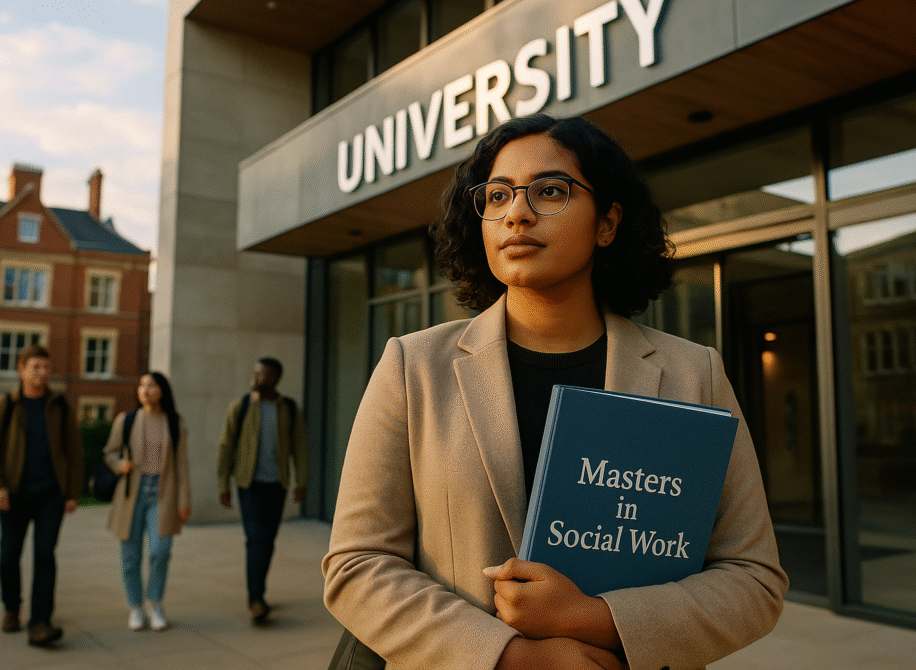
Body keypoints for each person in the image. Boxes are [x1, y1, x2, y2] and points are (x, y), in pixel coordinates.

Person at [322, 114, 789, 670]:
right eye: (497, 196)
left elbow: (753, 578)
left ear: (607, 223)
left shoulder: (695, 374)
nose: (516, 212)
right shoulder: (413, 366)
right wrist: (517, 658)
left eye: (550, 190)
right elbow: (358, 564)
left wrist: (592, 619)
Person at [0, 344, 83, 647]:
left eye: (46, 367)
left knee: (45, 555)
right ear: (21, 370)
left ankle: (40, 622)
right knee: (9, 555)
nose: (42, 373)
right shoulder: (3, 407)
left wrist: (72, 492)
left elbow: (73, 452)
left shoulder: (60, 406)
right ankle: (12, 607)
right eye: (35, 367)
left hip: (50, 495)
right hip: (13, 495)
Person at [217, 357, 309, 623]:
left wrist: (300, 482)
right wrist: (223, 483)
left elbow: (300, 448)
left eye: (264, 374)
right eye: (256, 373)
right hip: (249, 484)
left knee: (267, 541)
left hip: (276, 485)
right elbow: (226, 447)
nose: (258, 378)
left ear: (276, 378)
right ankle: (255, 599)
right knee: (256, 539)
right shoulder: (241, 407)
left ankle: (259, 592)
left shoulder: (289, 409)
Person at [103, 372, 190, 631]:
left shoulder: (175, 423)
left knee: (160, 551)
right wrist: (120, 465)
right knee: (130, 556)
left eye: (151, 385)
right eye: (141, 385)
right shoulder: (126, 420)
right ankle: (136, 608)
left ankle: (155, 604)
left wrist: (184, 500)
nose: (145, 389)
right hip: (132, 493)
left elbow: (182, 466)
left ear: (162, 390)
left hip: (162, 495)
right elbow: (109, 452)